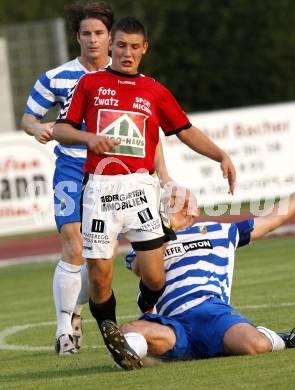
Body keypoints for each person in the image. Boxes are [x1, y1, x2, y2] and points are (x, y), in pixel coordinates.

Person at [52, 16, 236, 369]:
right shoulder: (90, 84)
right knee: (99, 277)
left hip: (141, 190)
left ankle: (143, 313)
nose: (127, 53)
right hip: (101, 191)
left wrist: (221, 155)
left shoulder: (154, 90)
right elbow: (61, 129)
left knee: (154, 276)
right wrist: (89, 138)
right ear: (111, 46)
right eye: (120, 45)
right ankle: (109, 329)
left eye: (135, 47)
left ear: (144, 49)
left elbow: (185, 129)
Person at [107, 157, 295, 366]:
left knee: (256, 345)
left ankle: (279, 339)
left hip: (210, 314)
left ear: (195, 209)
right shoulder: (149, 240)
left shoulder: (220, 231)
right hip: (172, 324)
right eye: (168, 202)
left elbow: (271, 219)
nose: (172, 205)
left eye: (178, 201)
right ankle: (131, 360)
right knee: (129, 330)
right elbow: (141, 269)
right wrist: (167, 228)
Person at [21, 2, 115, 355]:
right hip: (70, 169)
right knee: (72, 243)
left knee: (99, 257)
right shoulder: (55, 77)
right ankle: (65, 334)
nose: (93, 40)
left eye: (99, 34)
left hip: (112, 173)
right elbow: (29, 117)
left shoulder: (123, 76)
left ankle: (75, 312)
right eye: (86, 34)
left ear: (110, 37)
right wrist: (37, 129)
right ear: (77, 37)